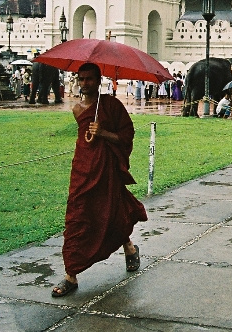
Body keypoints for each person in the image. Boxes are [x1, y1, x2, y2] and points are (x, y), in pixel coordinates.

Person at [51, 63, 147, 298]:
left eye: (89, 79)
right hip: (83, 168)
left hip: (106, 169)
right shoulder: (76, 109)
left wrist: (103, 132)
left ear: (98, 80)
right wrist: (94, 133)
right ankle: (70, 274)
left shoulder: (111, 106)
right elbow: (86, 138)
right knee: (77, 216)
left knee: (111, 211)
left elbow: (126, 136)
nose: (85, 84)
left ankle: (129, 247)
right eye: (81, 79)